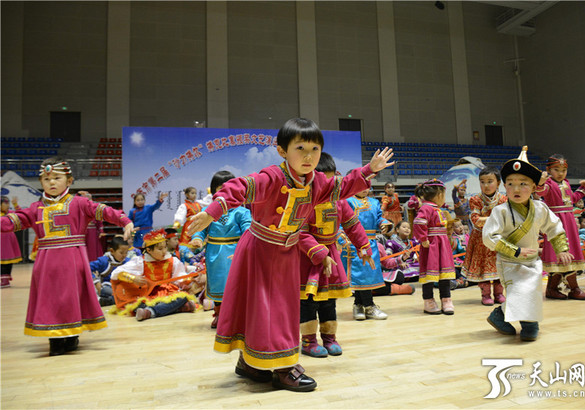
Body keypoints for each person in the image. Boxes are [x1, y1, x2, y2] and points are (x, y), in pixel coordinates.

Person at [187, 118, 394, 392]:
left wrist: (370, 169)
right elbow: (240, 188)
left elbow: (342, 188)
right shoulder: (272, 176)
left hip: (287, 253)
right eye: (300, 149)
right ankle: (283, 368)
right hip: (260, 251)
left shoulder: (318, 181)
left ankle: (251, 363)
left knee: (281, 310)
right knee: (266, 309)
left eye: (314, 150)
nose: (308, 157)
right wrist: (211, 211)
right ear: (282, 151)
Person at [0, 158, 134, 356]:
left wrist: (125, 221)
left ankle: (72, 336)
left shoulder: (79, 203)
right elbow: (13, 220)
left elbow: (103, 211)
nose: (52, 182)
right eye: (46, 179)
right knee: (50, 300)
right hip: (46, 265)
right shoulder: (35, 208)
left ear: (69, 181)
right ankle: (55, 339)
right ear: (41, 182)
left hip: (73, 261)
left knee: (71, 298)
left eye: (57, 178)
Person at [483, 146, 572, 341]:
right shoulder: (500, 211)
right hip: (509, 261)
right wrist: (515, 251)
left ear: (533, 187)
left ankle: (500, 315)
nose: (516, 189)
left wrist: (562, 249)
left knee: (531, 291)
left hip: (532, 261)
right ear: (504, 186)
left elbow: (554, 227)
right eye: (510, 183)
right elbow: (489, 237)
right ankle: (529, 324)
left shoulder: (540, 208)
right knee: (520, 291)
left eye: (523, 183)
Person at [298, 152, 374, 357]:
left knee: (329, 300)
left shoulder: (339, 201)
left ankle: (329, 338)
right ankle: (308, 341)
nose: (327, 186)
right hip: (308, 258)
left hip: (331, 254)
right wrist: (320, 253)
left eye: (331, 180)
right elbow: (300, 233)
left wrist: (363, 247)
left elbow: (352, 224)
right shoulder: (303, 201)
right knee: (307, 301)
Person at [190, 170, 251, 329]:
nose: (223, 192)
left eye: (227, 188)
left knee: (238, 286)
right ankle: (219, 314)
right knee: (218, 285)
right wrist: (197, 238)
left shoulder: (241, 211)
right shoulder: (207, 211)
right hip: (214, 253)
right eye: (219, 188)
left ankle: (239, 316)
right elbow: (200, 228)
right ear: (213, 190)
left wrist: (246, 245)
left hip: (236, 252)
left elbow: (248, 229)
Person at [110, 229, 199, 320]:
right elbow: (116, 273)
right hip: (148, 294)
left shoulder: (173, 261)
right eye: (160, 249)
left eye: (165, 247)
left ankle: (150, 312)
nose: (164, 251)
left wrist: (191, 280)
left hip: (168, 292)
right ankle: (177, 308)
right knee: (137, 304)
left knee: (183, 297)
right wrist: (133, 278)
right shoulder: (140, 261)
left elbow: (179, 279)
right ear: (149, 250)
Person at [536, 154, 585, 300]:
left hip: (570, 223)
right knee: (557, 254)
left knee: (570, 252)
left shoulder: (565, 183)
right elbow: (539, 192)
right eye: (556, 169)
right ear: (548, 170)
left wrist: (583, 188)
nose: (560, 173)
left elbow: (572, 200)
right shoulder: (548, 184)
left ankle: (552, 289)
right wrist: (540, 183)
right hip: (556, 222)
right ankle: (574, 288)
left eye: (563, 170)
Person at [342, 186, 392, 321]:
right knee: (361, 275)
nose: (365, 189)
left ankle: (358, 305)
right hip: (354, 243)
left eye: (367, 186)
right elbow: (341, 221)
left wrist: (384, 223)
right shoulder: (347, 201)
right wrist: (343, 240)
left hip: (372, 243)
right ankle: (369, 306)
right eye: (361, 185)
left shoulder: (374, 202)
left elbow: (378, 218)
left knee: (368, 275)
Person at [461, 166, 508, 305]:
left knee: (499, 266)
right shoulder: (475, 199)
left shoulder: (504, 199)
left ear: (498, 183)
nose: (486, 185)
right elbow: (475, 220)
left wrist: (487, 219)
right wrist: (497, 219)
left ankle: (499, 293)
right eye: (482, 182)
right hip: (481, 238)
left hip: (499, 238)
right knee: (483, 268)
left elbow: (507, 220)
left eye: (490, 181)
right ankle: (485, 294)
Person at [412, 179, 455, 315]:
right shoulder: (426, 208)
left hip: (442, 245)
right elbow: (419, 223)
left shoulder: (437, 209)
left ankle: (446, 299)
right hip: (432, 245)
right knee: (430, 274)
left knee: (444, 274)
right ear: (438, 195)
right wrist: (423, 239)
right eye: (443, 195)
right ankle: (428, 300)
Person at [89, 236, 131, 306]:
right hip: (108, 287)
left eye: (126, 253)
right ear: (112, 251)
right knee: (112, 292)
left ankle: (110, 301)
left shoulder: (128, 261)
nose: (124, 255)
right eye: (121, 253)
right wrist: (96, 282)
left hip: (123, 288)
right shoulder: (104, 261)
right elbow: (87, 268)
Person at [1, 196, 22, 288]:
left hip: (8, 239)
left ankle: (5, 280)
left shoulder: (10, 214)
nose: (7, 205)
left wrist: (16, 205)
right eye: (5, 203)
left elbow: (21, 215)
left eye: (8, 203)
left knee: (7, 259)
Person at [78, 191, 104, 261]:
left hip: (92, 231)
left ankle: (93, 262)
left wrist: (101, 231)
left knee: (92, 248)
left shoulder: (94, 207)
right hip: (82, 231)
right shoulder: (79, 207)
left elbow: (99, 220)